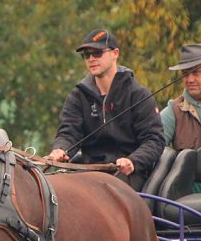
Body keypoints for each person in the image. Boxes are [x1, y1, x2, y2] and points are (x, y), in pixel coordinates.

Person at [49, 28, 164, 191]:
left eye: (97, 53)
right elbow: (68, 132)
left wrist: (133, 161)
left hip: (128, 173)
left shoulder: (137, 94)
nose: (91, 59)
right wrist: (60, 149)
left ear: (115, 53)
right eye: (86, 55)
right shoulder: (78, 96)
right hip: (90, 170)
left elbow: (154, 139)